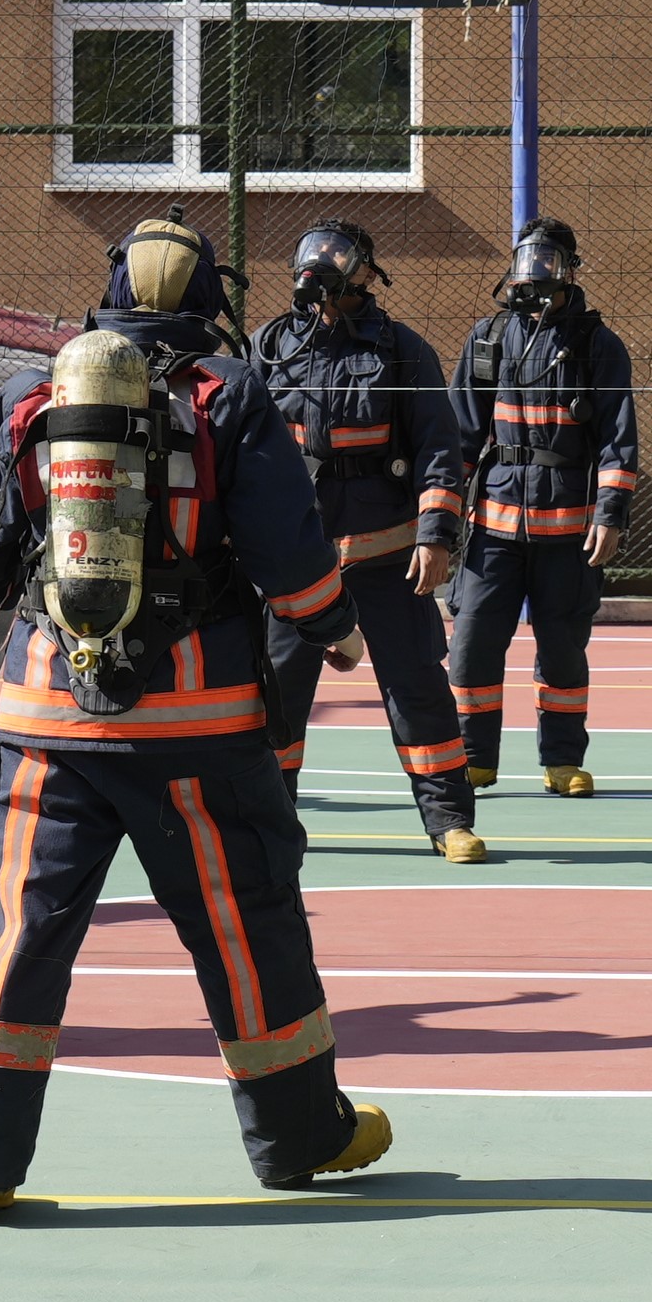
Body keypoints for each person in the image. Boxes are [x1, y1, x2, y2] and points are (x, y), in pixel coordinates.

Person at [0, 213, 387, 1219]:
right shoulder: (230, 394)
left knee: (21, 938)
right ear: (207, 302)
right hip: (201, 737)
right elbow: (289, 557)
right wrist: (333, 627)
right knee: (247, 928)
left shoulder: (30, 392)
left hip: (48, 725)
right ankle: (301, 1139)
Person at [254, 219, 490, 864]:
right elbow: (240, 453)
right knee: (276, 691)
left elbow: (440, 449)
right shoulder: (269, 346)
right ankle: (272, 824)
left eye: (336, 254)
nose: (320, 263)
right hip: (294, 562)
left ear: (366, 272)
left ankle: (449, 821)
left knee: (416, 686)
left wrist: (438, 536)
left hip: (387, 556)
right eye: (312, 251)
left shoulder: (404, 349)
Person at [445, 221, 640, 796]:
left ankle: (561, 761)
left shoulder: (597, 345)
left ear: (571, 269)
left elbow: (617, 438)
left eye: (550, 261)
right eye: (529, 260)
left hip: (570, 533)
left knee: (561, 649)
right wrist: (440, 520)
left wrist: (611, 513)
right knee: (473, 643)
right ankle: (476, 757)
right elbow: (460, 436)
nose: (537, 271)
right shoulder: (488, 338)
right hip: (493, 529)